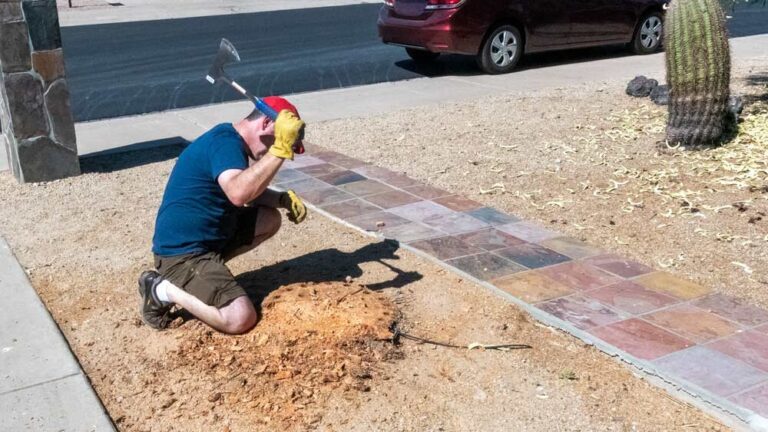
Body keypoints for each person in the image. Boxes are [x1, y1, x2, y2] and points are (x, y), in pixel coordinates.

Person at [138, 96, 307, 334]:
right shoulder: (224, 144)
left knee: (270, 219)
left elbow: (247, 192)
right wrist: (279, 152)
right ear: (267, 124)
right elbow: (239, 193)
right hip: (182, 254)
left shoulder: (229, 141)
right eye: (276, 142)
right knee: (240, 318)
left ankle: (208, 276)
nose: (272, 150)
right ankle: (161, 289)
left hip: (209, 240)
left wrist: (281, 199)